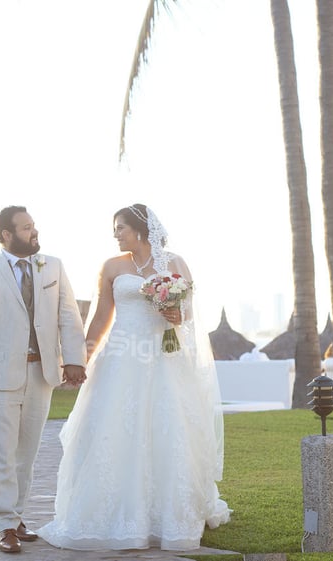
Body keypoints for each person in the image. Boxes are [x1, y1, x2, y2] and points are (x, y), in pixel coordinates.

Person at [38, 203, 231, 551]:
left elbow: (187, 316)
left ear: (140, 230)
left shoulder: (174, 263)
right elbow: (100, 318)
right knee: (114, 430)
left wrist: (175, 313)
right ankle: (112, 515)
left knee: (168, 430)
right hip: (120, 358)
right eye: (114, 230)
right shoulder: (112, 267)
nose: (115, 235)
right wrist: (81, 359)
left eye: (120, 228)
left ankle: (169, 517)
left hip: (164, 358)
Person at [0, 205, 87, 554]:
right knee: (0, 450)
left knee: (26, 453)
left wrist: (73, 360)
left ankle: (16, 517)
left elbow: (69, 316)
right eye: (26, 228)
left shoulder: (52, 266)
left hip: (41, 373)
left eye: (34, 226)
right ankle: (4, 525)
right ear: (6, 235)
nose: (34, 232)